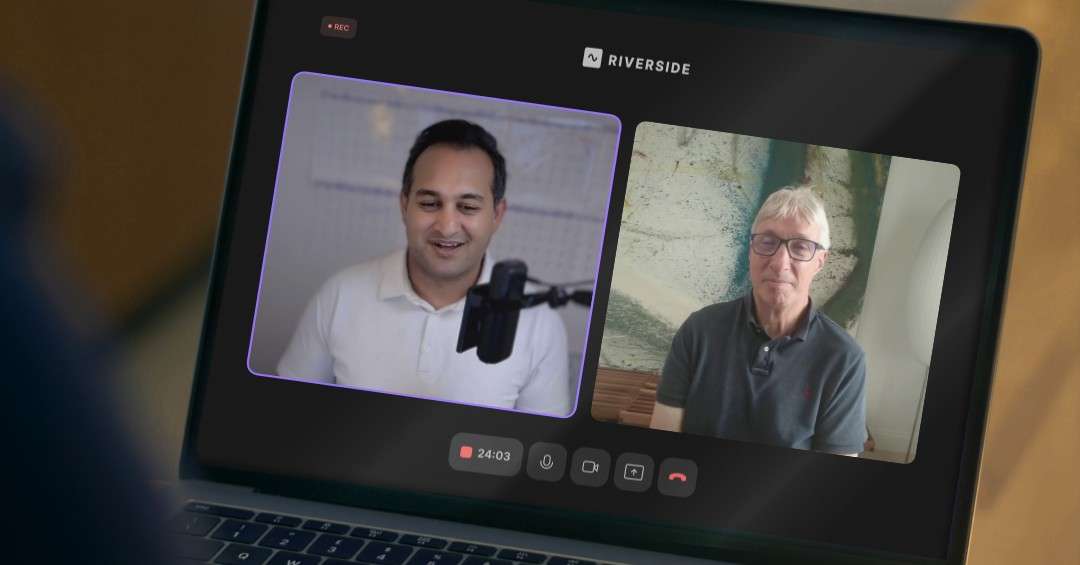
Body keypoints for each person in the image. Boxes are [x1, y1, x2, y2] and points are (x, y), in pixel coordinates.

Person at [278, 119, 571, 416]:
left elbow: (540, 451)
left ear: (497, 214)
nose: (446, 227)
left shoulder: (540, 322)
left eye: (468, 207)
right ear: (404, 205)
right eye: (430, 203)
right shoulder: (340, 295)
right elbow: (287, 412)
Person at [649, 186, 867, 455]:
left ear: (820, 262)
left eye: (800, 246)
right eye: (767, 242)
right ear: (751, 250)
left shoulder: (844, 359)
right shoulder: (698, 331)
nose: (779, 262)